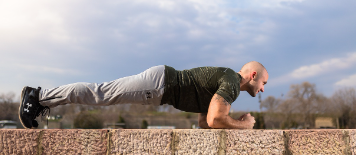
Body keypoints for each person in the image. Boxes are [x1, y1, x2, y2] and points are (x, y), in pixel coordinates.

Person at [19, 61, 268, 129]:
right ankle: (38, 96)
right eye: (264, 82)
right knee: (100, 94)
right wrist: (244, 125)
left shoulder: (226, 83)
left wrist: (228, 120)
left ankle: (40, 97)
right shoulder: (232, 83)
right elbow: (215, 120)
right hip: (160, 85)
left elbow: (205, 122)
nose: (264, 89)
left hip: (160, 84)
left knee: (101, 93)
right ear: (253, 75)